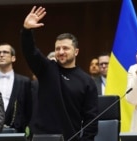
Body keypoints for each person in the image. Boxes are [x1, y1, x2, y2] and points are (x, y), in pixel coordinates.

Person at [21, 6, 98, 141]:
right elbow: (30, 52)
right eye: (58, 48)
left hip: (70, 138)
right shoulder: (46, 69)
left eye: (65, 48)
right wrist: (27, 31)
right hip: (41, 137)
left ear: (76, 52)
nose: (61, 52)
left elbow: (91, 120)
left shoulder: (87, 81)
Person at [0, 43, 33, 135]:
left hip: (17, 131)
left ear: (13, 58)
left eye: (5, 52)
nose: (1, 55)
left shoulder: (24, 81)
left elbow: (29, 109)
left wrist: (23, 127)